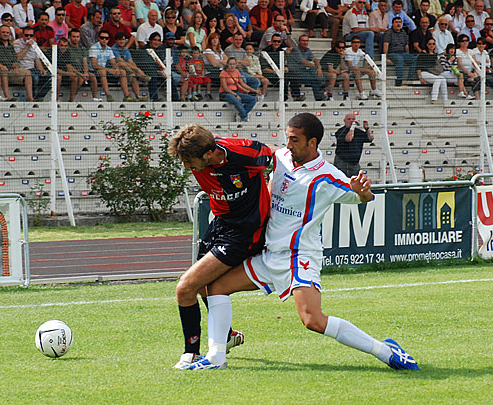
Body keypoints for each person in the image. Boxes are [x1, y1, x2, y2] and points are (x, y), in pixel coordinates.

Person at [181, 113, 419, 371]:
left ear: (312, 142)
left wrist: (362, 193)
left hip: (299, 256)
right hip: (270, 253)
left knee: (312, 320)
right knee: (215, 287)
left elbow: (362, 196)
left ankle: (386, 352)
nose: (288, 144)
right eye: (287, 138)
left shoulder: (326, 176)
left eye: (295, 140)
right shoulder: (280, 158)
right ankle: (216, 358)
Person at [167, 124, 273, 369]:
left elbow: (275, 155)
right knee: (204, 288)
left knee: (185, 288)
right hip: (220, 224)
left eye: (189, 161)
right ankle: (226, 337)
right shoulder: (201, 160)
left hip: (245, 233)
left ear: (208, 154)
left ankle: (191, 355)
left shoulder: (244, 154)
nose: (186, 167)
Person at [89, 29, 132, 102]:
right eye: (102, 38)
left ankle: (126, 95)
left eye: (106, 38)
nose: (104, 40)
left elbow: (113, 62)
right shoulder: (94, 48)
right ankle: (108, 95)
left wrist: (116, 69)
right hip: (94, 71)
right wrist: (108, 70)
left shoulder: (109, 48)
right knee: (103, 72)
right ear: (98, 38)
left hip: (104, 70)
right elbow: (94, 65)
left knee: (122, 72)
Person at [14, 26, 51, 100]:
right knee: (35, 77)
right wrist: (27, 46)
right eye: (26, 35)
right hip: (22, 68)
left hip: (33, 68)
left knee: (50, 77)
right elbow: (18, 57)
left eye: (31, 35)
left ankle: (39, 97)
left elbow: (37, 59)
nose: (28, 37)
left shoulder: (34, 44)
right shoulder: (17, 43)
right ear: (22, 35)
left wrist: (42, 70)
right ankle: (32, 98)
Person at [219, 57, 259, 121]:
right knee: (237, 100)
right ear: (227, 65)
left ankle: (242, 114)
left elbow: (243, 84)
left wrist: (254, 90)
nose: (232, 66)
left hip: (236, 92)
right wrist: (235, 95)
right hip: (226, 93)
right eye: (230, 64)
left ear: (236, 65)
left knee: (253, 99)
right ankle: (244, 117)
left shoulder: (237, 71)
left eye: (234, 64)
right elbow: (225, 88)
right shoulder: (223, 73)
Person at [112, 32, 148, 101]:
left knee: (132, 76)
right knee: (122, 66)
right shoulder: (114, 49)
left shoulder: (125, 50)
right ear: (116, 41)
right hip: (115, 69)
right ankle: (127, 95)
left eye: (123, 39)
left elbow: (131, 61)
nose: (122, 41)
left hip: (127, 69)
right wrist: (137, 70)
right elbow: (119, 61)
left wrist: (135, 68)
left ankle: (138, 96)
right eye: (119, 40)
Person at [67, 28, 100, 101]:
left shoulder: (82, 48)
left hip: (81, 71)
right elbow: (69, 66)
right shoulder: (67, 49)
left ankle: (95, 98)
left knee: (92, 76)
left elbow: (85, 62)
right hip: (71, 72)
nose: (76, 39)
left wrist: (85, 73)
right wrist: (81, 74)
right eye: (74, 36)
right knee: (78, 79)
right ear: (69, 37)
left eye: (77, 37)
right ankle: (71, 99)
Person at [383, 17, 416, 86]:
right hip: (392, 53)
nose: (398, 24)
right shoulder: (388, 32)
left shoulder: (403, 32)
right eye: (396, 22)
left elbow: (406, 45)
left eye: (400, 22)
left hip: (402, 53)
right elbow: (386, 45)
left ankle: (409, 80)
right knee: (399, 59)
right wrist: (385, 58)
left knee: (413, 59)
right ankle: (399, 81)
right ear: (392, 24)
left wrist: (408, 55)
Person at [416, 38, 448, 103]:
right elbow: (418, 66)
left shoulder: (435, 55)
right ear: (427, 45)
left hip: (433, 73)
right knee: (438, 80)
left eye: (433, 44)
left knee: (443, 79)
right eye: (430, 44)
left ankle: (445, 99)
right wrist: (420, 77)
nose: (432, 45)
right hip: (424, 73)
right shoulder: (423, 54)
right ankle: (434, 98)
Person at [455, 34, 479, 99]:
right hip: (463, 71)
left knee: (477, 78)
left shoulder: (471, 51)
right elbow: (460, 64)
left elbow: (475, 63)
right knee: (472, 78)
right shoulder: (458, 51)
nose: (465, 42)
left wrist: (475, 72)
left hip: (472, 70)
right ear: (459, 42)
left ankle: (477, 98)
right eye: (463, 41)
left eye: (466, 41)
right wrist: (469, 73)